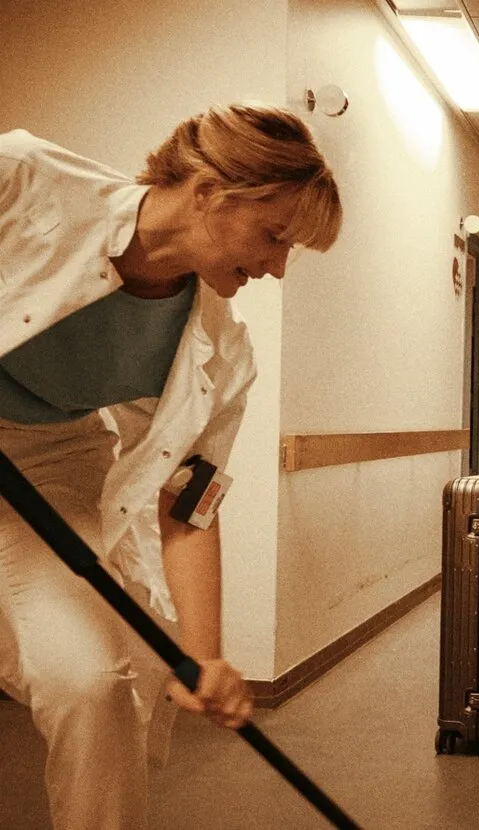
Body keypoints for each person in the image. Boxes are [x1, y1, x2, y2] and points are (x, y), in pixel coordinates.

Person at [0, 104, 342, 829]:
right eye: (273, 236)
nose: (276, 267)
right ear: (212, 192)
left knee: (93, 685)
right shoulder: (23, 177)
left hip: (49, 463)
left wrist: (204, 656)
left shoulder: (223, 353)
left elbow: (189, 508)